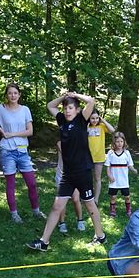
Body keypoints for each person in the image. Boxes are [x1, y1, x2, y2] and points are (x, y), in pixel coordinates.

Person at [27, 92, 107, 251]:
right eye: (65, 108)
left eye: (71, 108)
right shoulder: (61, 120)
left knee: (89, 205)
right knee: (57, 206)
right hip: (68, 174)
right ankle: (44, 242)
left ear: (77, 110)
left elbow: (91, 100)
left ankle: (100, 236)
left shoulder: (82, 119)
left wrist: (74, 94)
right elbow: (50, 105)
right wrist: (63, 97)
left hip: (83, 171)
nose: (67, 111)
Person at [0, 83, 45, 223]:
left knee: (32, 183)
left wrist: (12, 134)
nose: (13, 96)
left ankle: (36, 211)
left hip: (22, 150)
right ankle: (14, 214)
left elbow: (30, 131)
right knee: (11, 183)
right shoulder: (0, 109)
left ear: (19, 95)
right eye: (10, 93)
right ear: (6, 95)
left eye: (15, 93)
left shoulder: (25, 109)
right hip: (6, 151)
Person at [105, 131, 137, 218]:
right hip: (114, 180)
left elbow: (130, 165)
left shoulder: (127, 153)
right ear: (114, 142)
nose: (119, 144)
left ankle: (128, 210)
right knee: (113, 197)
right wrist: (109, 175)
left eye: (121, 141)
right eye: (117, 142)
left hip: (124, 180)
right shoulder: (110, 153)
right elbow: (107, 166)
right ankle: (112, 211)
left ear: (124, 142)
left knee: (127, 197)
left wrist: (133, 169)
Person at [55, 140, 85, 235]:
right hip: (62, 176)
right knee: (62, 201)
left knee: (76, 199)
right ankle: (62, 223)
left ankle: (80, 220)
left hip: (75, 175)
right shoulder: (60, 143)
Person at [87, 109, 115, 203]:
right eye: (92, 118)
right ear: (89, 118)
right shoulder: (86, 127)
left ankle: (96, 199)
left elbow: (112, 130)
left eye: (96, 118)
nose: (94, 120)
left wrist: (103, 120)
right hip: (87, 157)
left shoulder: (102, 126)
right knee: (87, 178)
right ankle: (87, 196)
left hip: (99, 157)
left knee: (97, 177)